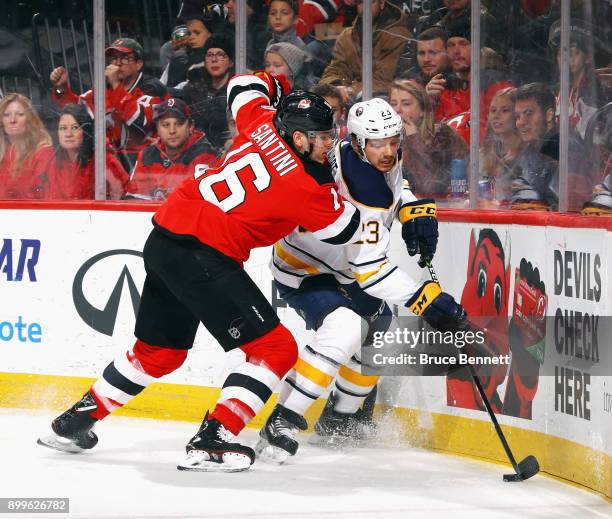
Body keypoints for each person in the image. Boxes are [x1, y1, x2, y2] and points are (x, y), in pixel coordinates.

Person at [37, 71, 364, 473]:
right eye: (324, 137)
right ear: (299, 138)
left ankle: (74, 421)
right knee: (275, 349)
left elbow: (243, 85)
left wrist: (279, 83)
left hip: (164, 241)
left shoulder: (260, 121)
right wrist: (337, 180)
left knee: (159, 352)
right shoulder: (306, 186)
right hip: (204, 255)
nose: (331, 144)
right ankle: (215, 438)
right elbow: (344, 229)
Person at [256, 98, 467, 464]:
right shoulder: (361, 190)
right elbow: (371, 271)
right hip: (307, 269)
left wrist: (410, 208)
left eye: (393, 140)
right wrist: (426, 300)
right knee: (345, 329)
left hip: (346, 266)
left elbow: (394, 184)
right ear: (357, 142)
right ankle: (283, 419)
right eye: (378, 143)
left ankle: (340, 419)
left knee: (381, 335)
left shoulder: (357, 151)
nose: (388, 151)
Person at [49, 38, 168, 172]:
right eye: (114, 58)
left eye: (125, 58)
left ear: (139, 64)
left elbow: (141, 122)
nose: (118, 63)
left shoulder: (153, 87)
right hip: (110, 162)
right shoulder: (104, 88)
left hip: (147, 162)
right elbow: (77, 111)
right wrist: (62, 88)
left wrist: (116, 85)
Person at [511, 82, 592, 211]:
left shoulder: (565, 148)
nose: (520, 122)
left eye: (528, 113)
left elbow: (567, 207)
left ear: (549, 115)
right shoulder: (529, 150)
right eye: (518, 116)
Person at [426, 18, 512, 138]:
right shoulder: (441, 86)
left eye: (463, 44)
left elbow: (493, 135)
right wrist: (430, 103)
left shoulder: (497, 85)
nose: (456, 51)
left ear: (478, 49)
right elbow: (433, 136)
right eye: (451, 45)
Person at [125, 98, 218, 201]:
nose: (172, 131)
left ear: (191, 126)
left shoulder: (204, 155)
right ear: (158, 129)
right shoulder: (146, 156)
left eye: (178, 124)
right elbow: (135, 202)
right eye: (166, 125)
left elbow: (199, 203)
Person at [389, 79, 467, 199]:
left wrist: (414, 139)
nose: (397, 110)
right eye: (393, 104)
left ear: (422, 110)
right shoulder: (384, 140)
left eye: (406, 104)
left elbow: (429, 187)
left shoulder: (443, 136)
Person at [320, 0, 410, 101]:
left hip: (382, 101)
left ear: (382, 4)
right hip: (349, 97)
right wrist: (336, 87)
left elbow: (382, 81)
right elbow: (335, 69)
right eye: (360, 2)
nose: (365, 8)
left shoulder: (397, 36)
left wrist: (349, 91)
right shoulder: (347, 36)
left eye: (371, 2)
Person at [47, 104, 128, 200]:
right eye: (63, 128)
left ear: (85, 131)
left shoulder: (103, 161)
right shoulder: (52, 162)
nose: (68, 134)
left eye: (75, 127)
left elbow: (120, 197)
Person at [179, 34, 234, 152]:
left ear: (231, 62)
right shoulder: (194, 88)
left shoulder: (237, 89)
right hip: (196, 152)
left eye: (221, 55)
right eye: (209, 55)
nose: (214, 60)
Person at [0, 93, 53, 199]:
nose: (12, 120)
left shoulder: (43, 152)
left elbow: (42, 197)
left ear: (29, 120)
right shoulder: (4, 153)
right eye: (6, 115)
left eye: (19, 114)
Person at [479, 87, 524, 206]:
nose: (496, 116)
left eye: (505, 110)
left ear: (517, 115)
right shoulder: (482, 154)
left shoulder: (527, 154)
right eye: (493, 110)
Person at [162, 8, 222, 88]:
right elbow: (161, 84)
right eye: (189, 33)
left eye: (197, 33)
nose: (191, 37)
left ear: (210, 34)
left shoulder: (214, 60)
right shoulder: (179, 58)